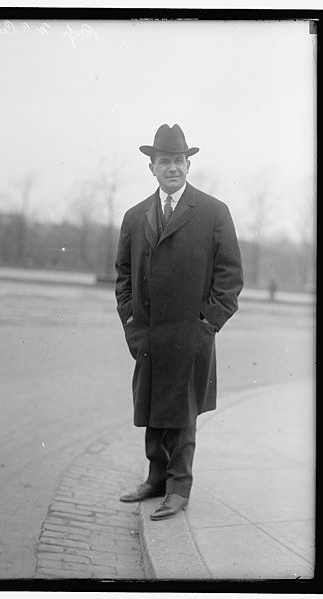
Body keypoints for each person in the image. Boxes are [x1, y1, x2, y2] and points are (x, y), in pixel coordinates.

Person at [115, 124, 243, 520]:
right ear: (151, 168)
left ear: (189, 165)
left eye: (179, 161)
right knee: (154, 408)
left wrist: (207, 322)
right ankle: (155, 480)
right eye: (164, 161)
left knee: (183, 414)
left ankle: (178, 488)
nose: (172, 168)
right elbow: (123, 276)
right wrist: (132, 321)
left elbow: (230, 277)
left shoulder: (212, 212)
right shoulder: (136, 216)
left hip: (191, 334)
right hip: (150, 335)